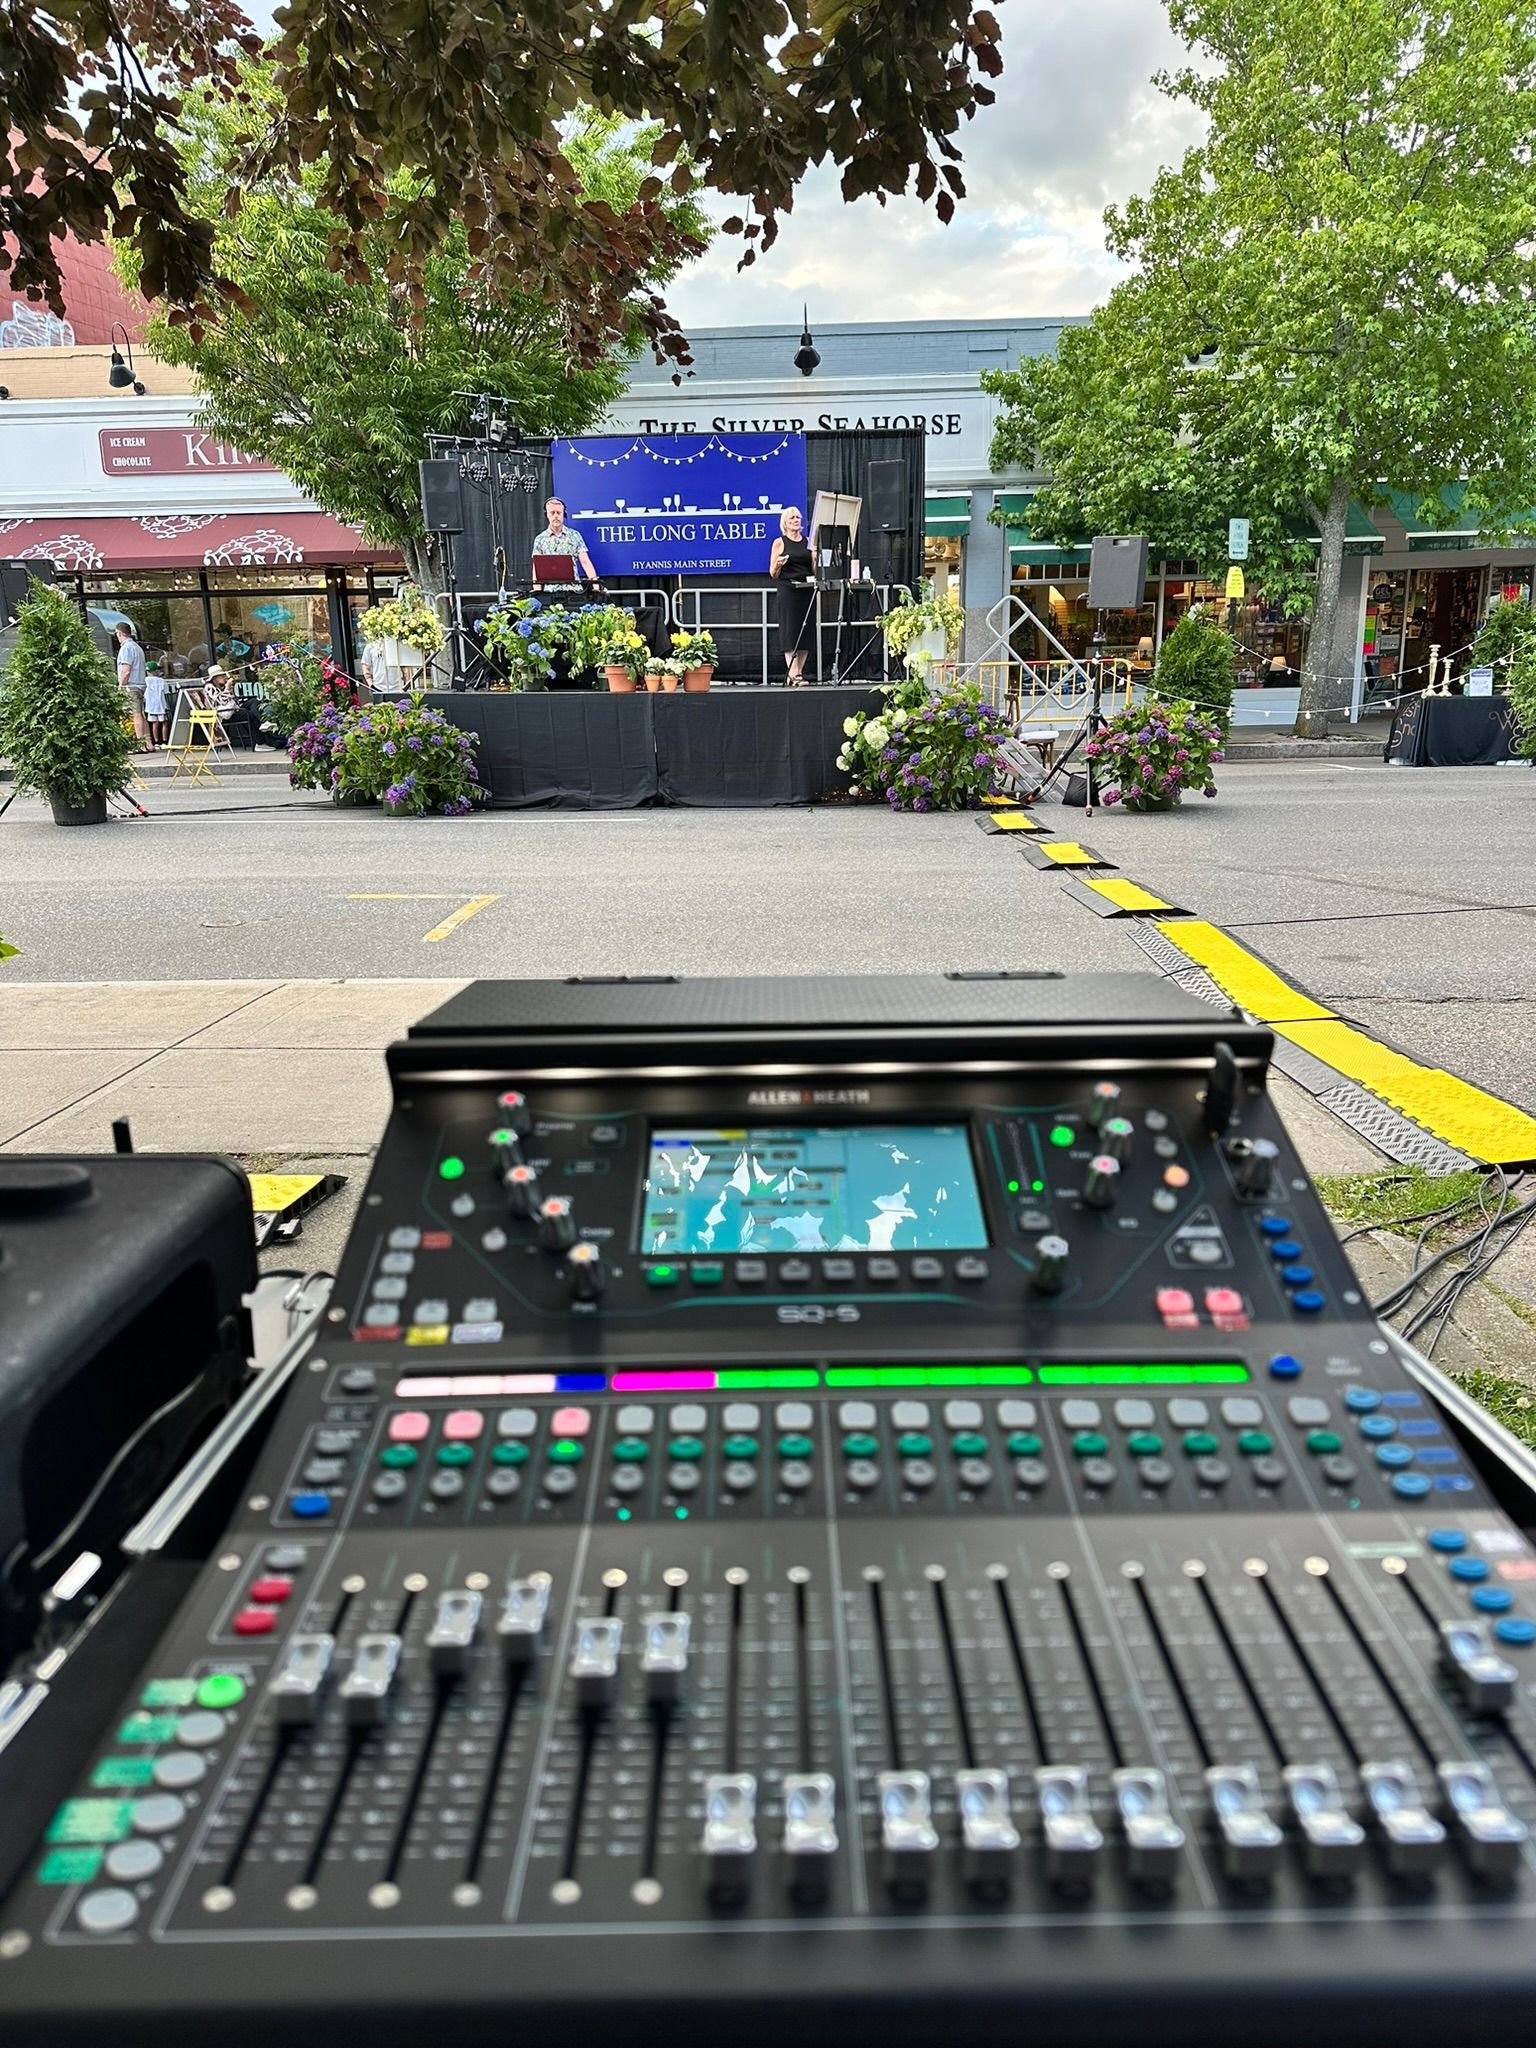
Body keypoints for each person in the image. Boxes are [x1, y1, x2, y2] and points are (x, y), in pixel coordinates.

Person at [769, 506, 815, 684]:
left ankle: (798, 673)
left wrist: (816, 558)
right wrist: (779, 564)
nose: (796, 520)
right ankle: (793, 673)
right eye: (792, 518)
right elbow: (772, 573)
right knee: (790, 632)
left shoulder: (808, 542)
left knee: (806, 633)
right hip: (788, 590)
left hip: (806, 589)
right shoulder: (779, 542)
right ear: (785, 523)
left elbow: (813, 569)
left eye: (798, 517)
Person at [531, 497, 598, 585]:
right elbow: (537, 568)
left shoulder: (574, 535)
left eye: (558, 513)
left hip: (573, 590)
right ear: (547, 515)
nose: (556, 516)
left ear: (564, 514)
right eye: (552, 513)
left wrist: (595, 585)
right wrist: (537, 592)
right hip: (550, 591)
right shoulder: (540, 539)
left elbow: (585, 562)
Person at [114, 621, 148, 746]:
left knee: (136, 715)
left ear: (119, 633)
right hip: (140, 684)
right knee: (141, 714)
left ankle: (140, 744)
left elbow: (126, 671)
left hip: (131, 685)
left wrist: (121, 686)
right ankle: (148, 743)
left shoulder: (126, 648)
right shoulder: (137, 647)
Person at [142, 661, 171, 749]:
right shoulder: (161, 681)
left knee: (155, 724)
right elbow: (166, 692)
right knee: (164, 723)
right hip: (161, 705)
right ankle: (165, 742)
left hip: (150, 706)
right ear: (155, 671)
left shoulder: (145, 680)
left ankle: (156, 742)